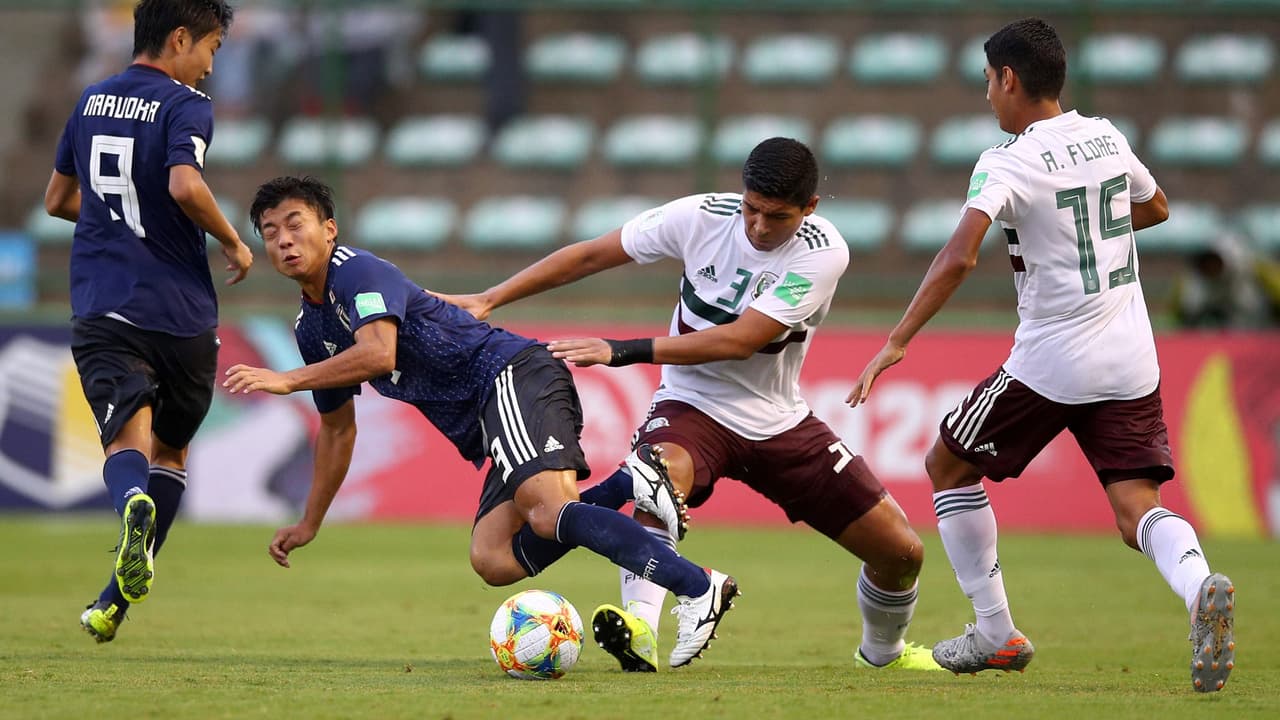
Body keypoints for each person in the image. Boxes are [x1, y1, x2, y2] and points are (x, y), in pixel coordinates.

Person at [435, 137, 940, 674]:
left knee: (902, 553)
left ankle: (882, 654)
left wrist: (621, 351)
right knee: (657, 478)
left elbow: (741, 340)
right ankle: (641, 632)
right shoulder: (700, 216)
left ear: (809, 208)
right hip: (690, 404)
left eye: (777, 216)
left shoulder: (823, 250)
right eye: (751, 209)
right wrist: (493, 297)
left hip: (781, 420)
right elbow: (590, 253)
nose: (759, 227)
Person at [846, 18, 1236, 693]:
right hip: (1132, 354)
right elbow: (1158, 207)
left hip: (1056, 355)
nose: (987, 96)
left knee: (947, 463)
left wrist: (898, 339)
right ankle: (1200, 585)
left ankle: (996, 632)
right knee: (1134, 504)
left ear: (1010, 80)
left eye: (988, 83)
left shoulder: (1007, 158)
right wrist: (1083, 231)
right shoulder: (1106, 135)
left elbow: (959, 253)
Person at [222, 176, 736, 669]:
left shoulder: (358, 273)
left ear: (329, 229)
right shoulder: (312, 329)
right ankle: (629, 481)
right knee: (494, 560)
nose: (285, 240)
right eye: (271, 232)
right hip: (491, 415)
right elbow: (338, 429)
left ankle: (697, 586)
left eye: (296, 224)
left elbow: (379, 354)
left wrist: (289, 380)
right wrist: (310, 521)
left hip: (510, 374)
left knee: (545, 511)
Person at [43, 0, 253, 644]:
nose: (211, 67)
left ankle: (127, 506)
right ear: (181, 38)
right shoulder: (185, 103)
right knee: (172, 452)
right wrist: (232, 240)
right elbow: (186, 187)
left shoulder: (91, 100)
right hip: (183, 313)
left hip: (107, 304)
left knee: (125, 447)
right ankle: (112, 603)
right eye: (212, 49)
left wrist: (114, 221)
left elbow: (57, 200)